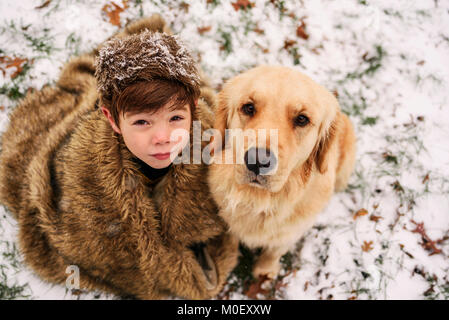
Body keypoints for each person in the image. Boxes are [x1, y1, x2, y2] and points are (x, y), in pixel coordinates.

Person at [0, 15, 238, 299]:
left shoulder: (214, 147)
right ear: (112, 121)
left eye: (176, 117)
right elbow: (90, 242)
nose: (162, 137)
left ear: (194, 110)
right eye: (142, 122)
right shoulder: (85, 172)